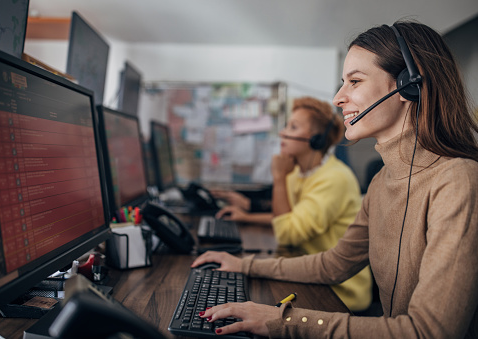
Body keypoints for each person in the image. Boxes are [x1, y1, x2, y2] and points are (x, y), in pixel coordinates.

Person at [192, 20, 478, 338]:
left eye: (354, 81)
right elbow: (334, 264)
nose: (338, 98)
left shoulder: (458, 181)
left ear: (408, 84)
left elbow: (428, 332)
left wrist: (285, 321)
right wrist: (244, 265)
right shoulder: (383, 180)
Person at [215, 96, 372, 311]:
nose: (282, 133)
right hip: (304, 274)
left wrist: (279, 178)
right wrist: (247, 216)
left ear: (315, 139)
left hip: (339, 291)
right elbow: (290, 218)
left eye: (293, 127)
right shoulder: (298, 172)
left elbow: (287, 233)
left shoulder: (334, 179)